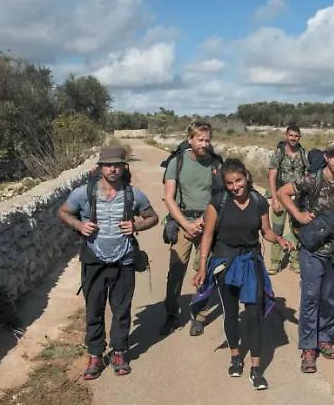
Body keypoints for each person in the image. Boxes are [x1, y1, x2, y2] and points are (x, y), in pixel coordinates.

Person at [190, 159, 293, 390]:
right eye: (230, 183)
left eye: (238, 181)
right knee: (230, 312)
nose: (235, 187)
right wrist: (203, 266)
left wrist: (279, 239)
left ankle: (256, 369)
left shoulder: (258, 201)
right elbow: (207, 235)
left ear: (246, 176)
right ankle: (236, 357)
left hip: (250, 262)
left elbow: (266, 231)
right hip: (225, 263)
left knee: (254, 315)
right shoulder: (218, 202)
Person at [58, 145, 159, 379]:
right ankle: (95, 354)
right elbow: (63, 212)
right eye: (108, 165)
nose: (112, 169)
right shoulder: (83, 193)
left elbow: (153, 217)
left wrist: (136, 225)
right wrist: (80, 225)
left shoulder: (134, 194)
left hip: (124, 259)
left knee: (121, 310)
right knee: (94, 309)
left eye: (117, 165)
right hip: (93, 259)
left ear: (124, 167)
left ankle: (119, 352)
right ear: (100, 167)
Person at [277, 140, 334, 374]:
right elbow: (283, 192)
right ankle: (308, 347)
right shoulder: (311, 180)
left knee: (331, 297)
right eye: (333, 154)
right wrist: (298, 215)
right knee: (311, 297)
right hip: (312, 249)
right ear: (326, 157)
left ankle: (324, 338)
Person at [160, 121, 220, 337]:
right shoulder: (177, 162)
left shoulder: (215, 164)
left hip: (207, 223)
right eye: (200, 139)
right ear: (190, 139)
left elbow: (219, 196)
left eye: (207, 140)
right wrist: (186, 225)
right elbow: (169, 198)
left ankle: (199, 316)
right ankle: (171, 315)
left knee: (205, 271)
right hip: (182, 222)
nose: (204, 144)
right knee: (176, 272)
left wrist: (203, 222)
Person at [267, 125, 308, 274]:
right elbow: (272, 176)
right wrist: (274, 198)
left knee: (296, 229)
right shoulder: (280, 152)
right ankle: (275, 262)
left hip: (297, 197)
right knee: (277, 229)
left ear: (299, 137)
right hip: (280, 195)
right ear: (286, 135)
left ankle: (295, 260)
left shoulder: (303, 153)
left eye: (296, 136)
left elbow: (307, 174)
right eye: (291, 135)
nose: (293, 138)